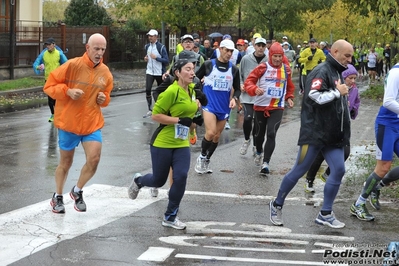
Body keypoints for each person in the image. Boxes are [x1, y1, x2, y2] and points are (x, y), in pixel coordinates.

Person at [268, 39, 353, 229]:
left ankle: (325, 213)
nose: (349, 59)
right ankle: (276, 204)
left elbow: (336, 102)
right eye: (347, 55)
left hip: (332, 135)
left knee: (338, 169)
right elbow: (313, 97)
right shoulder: (321, 70)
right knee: (300, 170)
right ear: (336, 51)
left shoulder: (337, 71)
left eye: (351, 56)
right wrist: (337, 93)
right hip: (314, 133)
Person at [128, 55, 200, 230]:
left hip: (181, 143)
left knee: (181, 176)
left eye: (193, 69)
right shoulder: (170, 92)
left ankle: (170, 216)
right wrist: (178, 120)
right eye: (188, 69)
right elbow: (155, 115)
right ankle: (139, 181)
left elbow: (190, 115)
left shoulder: (192, 90)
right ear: (177, 72)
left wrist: (192, 128)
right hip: (163, 142)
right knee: (159, 180)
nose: (192, 72)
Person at [43, 33, 113, 213]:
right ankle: (57, 197)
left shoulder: (105, 72)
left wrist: (103, 99)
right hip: (69, 123)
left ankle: (77, 190)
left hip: (91, 123)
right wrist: (67, 91)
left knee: (94, 159)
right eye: (96, 48)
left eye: (102, 49)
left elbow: (106, 97)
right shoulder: (72, 65)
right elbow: (49, 87)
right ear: (87, 48)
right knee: (65, 163)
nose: (99, 52)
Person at [350, 61, 399, 222]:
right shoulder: (396, 73)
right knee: (383, 166)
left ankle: (378, 187)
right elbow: (388, 101)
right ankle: (359, 204)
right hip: (387, 124)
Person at [304, 64, 360, 192]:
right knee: (320, 155)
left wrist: (352, 109)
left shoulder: (354, 90)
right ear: (342, 77)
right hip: (327, 127)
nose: (352, 81)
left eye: (354, 78)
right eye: (350, 78)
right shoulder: (331, 88)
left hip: (343, 128)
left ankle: (327, 174)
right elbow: (319, 102)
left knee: (345, 153)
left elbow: (356, 103)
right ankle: (309, 180)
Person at [244, 42, 295, 174]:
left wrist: (289, 97)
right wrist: (255, 89)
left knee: (271, 133)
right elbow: (249, 82)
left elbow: (289, 86)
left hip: (277, 107)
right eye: (275, 56)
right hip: (260, 107)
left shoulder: (286, 69)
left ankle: (266, 163)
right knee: (259, 135)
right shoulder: (262, 67)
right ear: (270, 55)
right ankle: (259, 151)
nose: (277, 59)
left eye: (280, 56)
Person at [194, 39, 241, 174]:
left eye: (231, 51)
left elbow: (237, 89)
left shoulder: (234, 69)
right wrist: (198, 96)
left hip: (224, 106)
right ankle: (202, 156)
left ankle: (207, 159)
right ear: (220, 49)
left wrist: (234, 98)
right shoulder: (209, 65)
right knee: (211, 132)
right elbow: (195, 80)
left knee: (217, 136)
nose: (229, 53)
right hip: (209, 104)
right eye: (226, 50)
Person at [238, 37, 269, 157]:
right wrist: (241, 84)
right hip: (247, 95)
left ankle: (256, 145)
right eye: (258, 45)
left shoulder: (268, 61)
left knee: (258, 123)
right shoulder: (246, 59)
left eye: (263, 45)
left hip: (261, 97)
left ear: (265, 47)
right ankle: (247, 140)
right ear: (254, 46)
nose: (260, 48)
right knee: (247, 118)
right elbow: (240, 74)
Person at [33, 37, 67, 122]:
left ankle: (59, 113)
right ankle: (53, 114)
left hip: (57, 79)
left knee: (57, 97)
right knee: (50, 98)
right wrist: (38, 67)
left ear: (54, 45)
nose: (47, 46)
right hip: (48, 79)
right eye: (46, 45)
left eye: (49, 44)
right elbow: (36, 63)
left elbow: (66, 64)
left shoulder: (59, 54)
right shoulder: (44, 54)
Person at [143, 29, 170, 118]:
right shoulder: (147, 46)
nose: (149, 37)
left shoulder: (161, 47)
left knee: (161, 92)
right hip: (149, 71)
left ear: (156, 37)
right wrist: (146, 59)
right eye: (149, 36)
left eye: (151, 36)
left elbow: (166, 61)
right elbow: (147, 57)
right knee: (148, 90)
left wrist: (156, 58)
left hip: (159, 72)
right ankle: (150, 109)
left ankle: (162, 109)